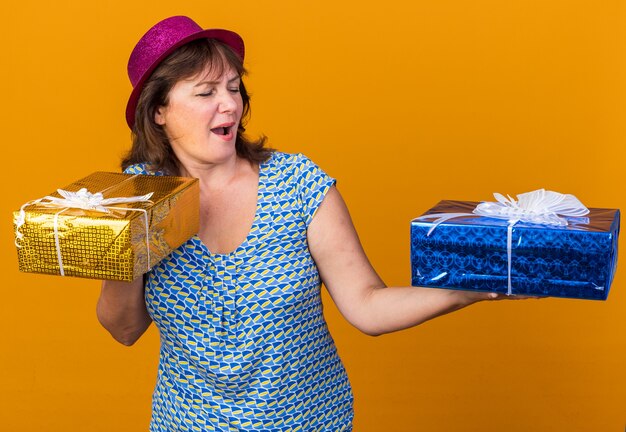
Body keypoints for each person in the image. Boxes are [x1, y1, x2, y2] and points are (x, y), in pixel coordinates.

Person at [96, 15, 518, 431]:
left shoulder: (297, 184)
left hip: (311, 421)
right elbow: (125, 329)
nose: (230, 103)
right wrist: (128, 243)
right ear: (159, 112)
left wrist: (469, 289)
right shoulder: (139, 198)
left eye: (233, 87)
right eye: (206, 92)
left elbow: (367, 306)